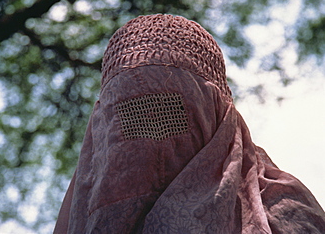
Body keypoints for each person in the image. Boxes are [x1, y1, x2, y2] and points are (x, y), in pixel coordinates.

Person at [54, 14, 325, 233]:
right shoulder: (79, 219)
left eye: (170, 113)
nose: (155, 137)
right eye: (132, 117)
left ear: (218, 118)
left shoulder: (289, 215)